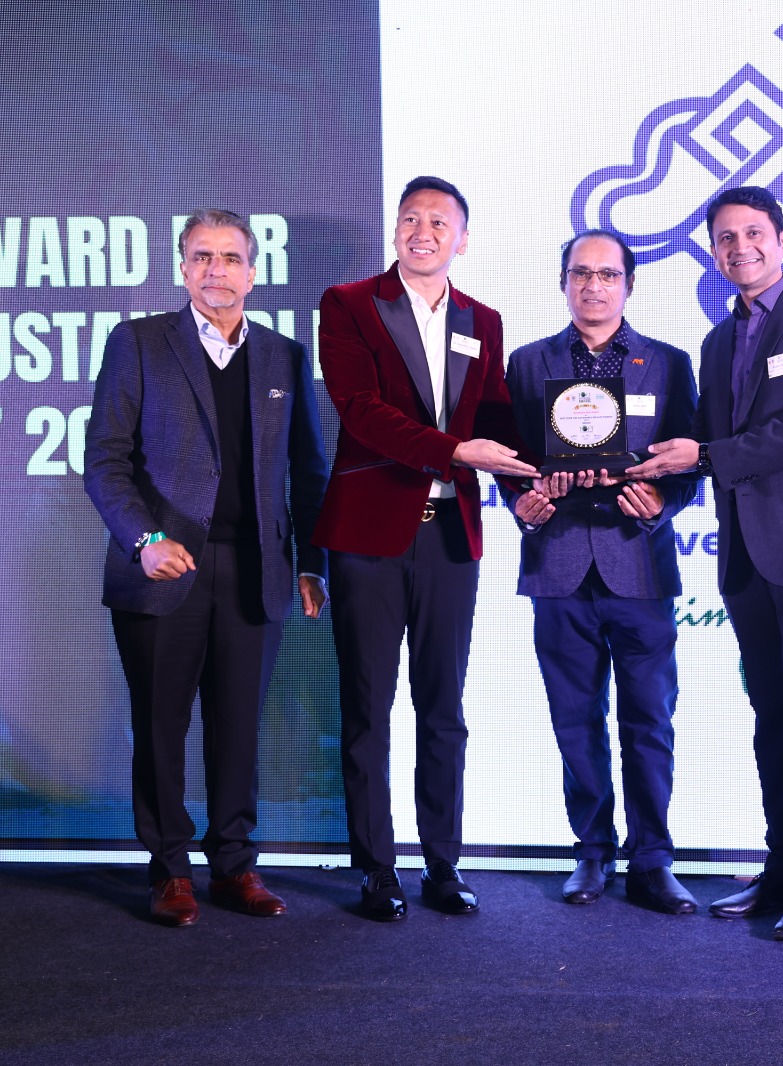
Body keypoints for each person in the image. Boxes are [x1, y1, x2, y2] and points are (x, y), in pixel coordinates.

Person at [628, 186, 783, 940]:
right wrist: (639, 473)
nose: (741, 248)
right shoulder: (717, 339)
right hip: (745, 551)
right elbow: (702, 439)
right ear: (713, 252)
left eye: (754, 233)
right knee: (772, 717)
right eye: (726, 238)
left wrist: (703, 454)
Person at [84, 208, 329, 927]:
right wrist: (145, 539)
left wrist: (312, 563)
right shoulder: (138, 342)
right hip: (164, 570)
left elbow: (309, 471)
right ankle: (169, 871)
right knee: (161, 728)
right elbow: (104, 461)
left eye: (230, 258)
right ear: (182, 268)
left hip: (257, 571)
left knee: (238, 729)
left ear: (252, 273)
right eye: (202, 256)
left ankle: (234, 866)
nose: (216, 270)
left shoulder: (284, 356)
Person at [314, 176, 536, 921]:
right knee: (368, 708)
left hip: (450, 536)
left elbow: (496, 420)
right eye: (411, 219)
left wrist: (538, 478)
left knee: (444, 707)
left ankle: (444, 862)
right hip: (368, 536)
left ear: (462, 240)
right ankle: (377, 869)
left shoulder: (482, 319)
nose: (423, 232)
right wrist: (454, 451)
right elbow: (360, 411)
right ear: (395, 231)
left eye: (439, 222)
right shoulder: (349, 304)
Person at [505, 230, 700, 913]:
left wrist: (662, 502)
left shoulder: (668, 364)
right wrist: (524, 502)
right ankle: (591, 852)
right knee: (574, 719)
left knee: (649, 719)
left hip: (638, 567)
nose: (593, 285)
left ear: (629, 285)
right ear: (563, 282)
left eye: (607, 275)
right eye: (580, 273)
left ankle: (653, 860)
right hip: (558, 565)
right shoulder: (528, 364)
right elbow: (512, 462)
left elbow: (691, 466)